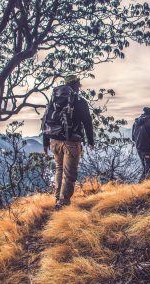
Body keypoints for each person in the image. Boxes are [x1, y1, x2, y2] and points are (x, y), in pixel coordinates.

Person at [42, 75, 94, 209]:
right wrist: (90, 140)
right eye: (79, 84)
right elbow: (87, 122)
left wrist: (45, 141)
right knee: (69, 174)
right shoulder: (79, 101)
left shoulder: (54, 100)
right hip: (71, 142)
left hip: (54, 141)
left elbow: (46, 119)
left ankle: (57, 199)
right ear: (76, 85)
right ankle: (63, 203)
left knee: (59, 169)